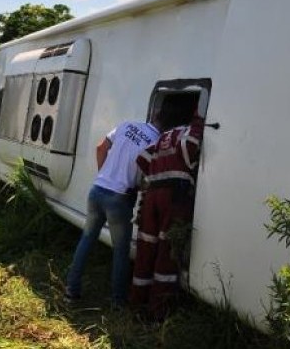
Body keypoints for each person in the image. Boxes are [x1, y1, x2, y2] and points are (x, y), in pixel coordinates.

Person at [65, 114, 165, 308]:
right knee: (120, 251)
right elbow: (145, 178)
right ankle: (118, 301)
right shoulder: (156, 142)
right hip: (120, 197)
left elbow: (100, 147)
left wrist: (104, 174)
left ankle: (71, 290)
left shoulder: (127, 124)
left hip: (97, 190)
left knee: (87, 239)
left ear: (153, 116)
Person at [129, 93, 206, 320]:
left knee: (146, 248)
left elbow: (142, 158)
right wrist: (199, 122)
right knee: (166, 251)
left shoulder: (163, 136)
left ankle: (136, 301)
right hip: (174, 197)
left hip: (152, 194)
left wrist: (156, 172)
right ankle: (158, 311)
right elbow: (191, 146)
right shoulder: (187, 131)